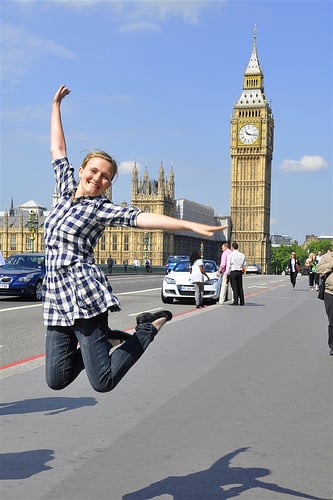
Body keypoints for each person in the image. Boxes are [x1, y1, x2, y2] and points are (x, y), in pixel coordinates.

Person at [44, 84, 227, 393]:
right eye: (94, 171)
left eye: (106, 177)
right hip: (56, 298)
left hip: (83, 295)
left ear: (109, 184)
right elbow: (58, 150)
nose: (98, 179)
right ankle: (108, 340)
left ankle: (146, 329)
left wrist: (190, 226)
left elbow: (140, 218)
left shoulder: (100, 209)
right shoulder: (63, 192)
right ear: (82, 170)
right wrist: (55, 107)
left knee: (103, 382)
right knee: (56, 378)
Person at [316, 249, 333, 355]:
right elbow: (318, 269)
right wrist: (331, 264)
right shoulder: (327, 257)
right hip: (330, 293)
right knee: (332, 320)